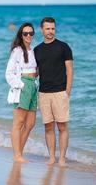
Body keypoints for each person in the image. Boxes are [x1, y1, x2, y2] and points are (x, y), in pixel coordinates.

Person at [34, 17, 73, 167]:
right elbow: (35, 72)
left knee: (62, 127)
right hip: (43, 93)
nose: (50, 31)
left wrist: (67, 91)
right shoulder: (37, 50)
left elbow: (70, 70)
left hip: (60, 92)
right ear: (42, 30)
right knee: (48, 127)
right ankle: (51, 157)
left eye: (53, 29)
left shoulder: (64, 47)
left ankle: (62, 159)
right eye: (47, 29)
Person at [5, 22, 38, 163]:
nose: (28, 35)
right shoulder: (17, 50)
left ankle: (19, 153)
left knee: (30, 124)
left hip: (33, 86)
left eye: (31, 33)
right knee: (18, 123)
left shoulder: (33, 50)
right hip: (23, 86)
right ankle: (17, 155)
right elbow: (9, 73)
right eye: (25, 33)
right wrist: (21, 85)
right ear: (21, 35)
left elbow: (35, 70)